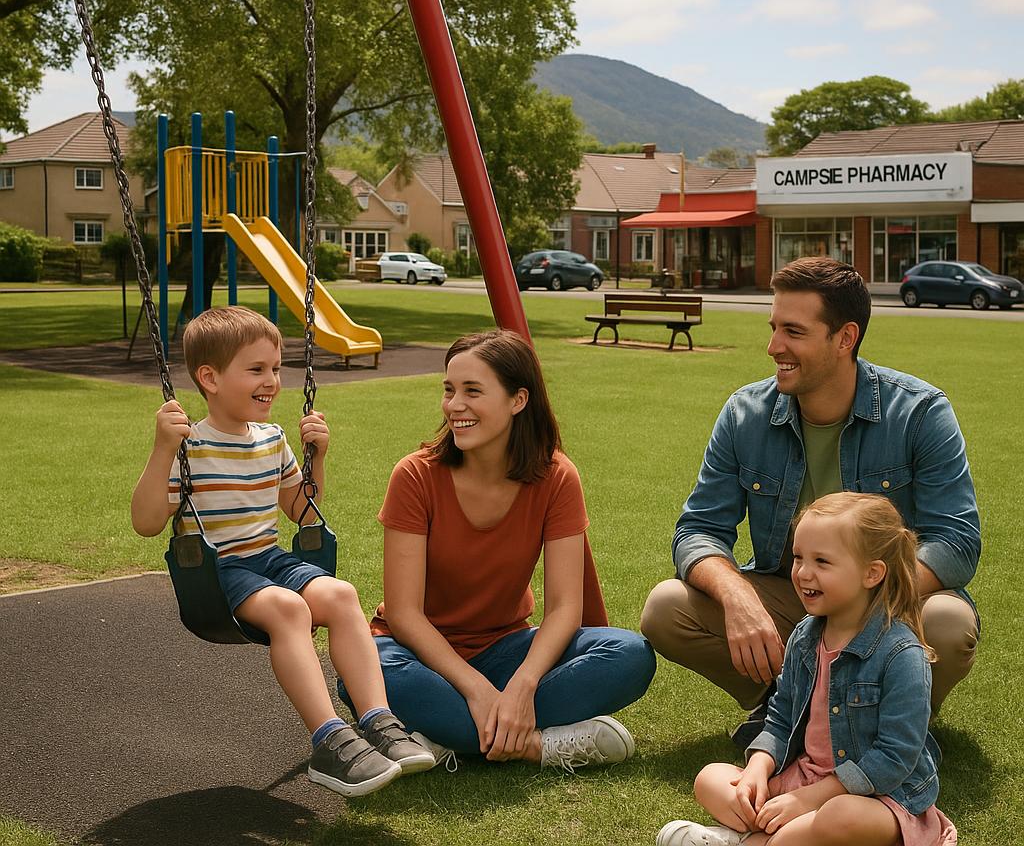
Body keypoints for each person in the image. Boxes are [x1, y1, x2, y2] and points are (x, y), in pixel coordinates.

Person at [641, 257, 980, 747]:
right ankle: (794, 710)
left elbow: (956, 540)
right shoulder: (745, 414)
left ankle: (883, 728)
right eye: (774, 327)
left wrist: (868, 602)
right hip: (793, 594)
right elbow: (698, 529)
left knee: (947, 625)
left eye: (794, 332)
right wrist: (738, 597)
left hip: (887, 598)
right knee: (666, 608)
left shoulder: (920, 412)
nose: (774, 347)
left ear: (845, 338)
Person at [130, 306, 433, 797]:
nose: (272, 379)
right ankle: (330, 741)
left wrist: (317, 456)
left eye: (275, 368)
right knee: (290, 608)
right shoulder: (190, 446)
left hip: (270, 559)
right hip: (220, 570)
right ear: (209, 378)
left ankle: (379, 721)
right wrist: (162, 448)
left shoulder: (272, 439)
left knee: (340, 594)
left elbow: (299, 508)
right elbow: (146, 523)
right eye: (256, 369)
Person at [341, 329, 656, 771]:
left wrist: (523, 686)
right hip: (414, 654)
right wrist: (476, 688)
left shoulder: (556, 477)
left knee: (629, 656)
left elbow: (566, 607)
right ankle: (539, 746)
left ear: (517, 400)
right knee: (365, 672)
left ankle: (443, 737)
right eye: (449, 390)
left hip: (506, 648)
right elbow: (404, 613)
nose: (455, 406)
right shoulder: (415, 476)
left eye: (473, 391)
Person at [656, 493, 957, 846]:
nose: (802, 572)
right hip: (806, 778)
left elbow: (895, 757)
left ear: (872, 573)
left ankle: (750, 840)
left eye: (822, 561)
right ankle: (765, 836)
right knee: (711, 779)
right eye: (799, 557)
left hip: (879, 799)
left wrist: (810, 800)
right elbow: (781, 718)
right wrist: (759, 767)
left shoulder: (900, 653)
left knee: (837, 818)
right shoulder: (804, 636)